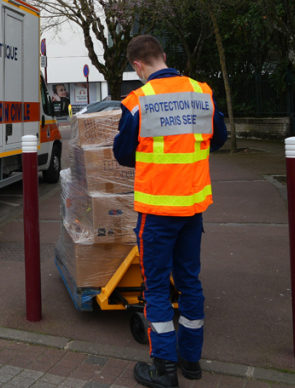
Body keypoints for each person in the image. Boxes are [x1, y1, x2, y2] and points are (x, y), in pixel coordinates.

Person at [113, 35, 227, 388]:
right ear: (163, 56)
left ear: (137, 66)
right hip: (192, 208)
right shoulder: (200, 92)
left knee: (157, 287)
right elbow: (218, 138)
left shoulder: (138, 101)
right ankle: (190, 361)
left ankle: (163, 368)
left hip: (158, 210)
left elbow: (122, 154)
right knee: (189, 281)